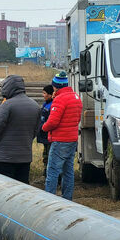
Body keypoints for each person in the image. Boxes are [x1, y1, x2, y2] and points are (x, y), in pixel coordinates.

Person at [0, 75, 41, 184]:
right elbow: (35, 130)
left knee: (4, 191)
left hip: (4, 158)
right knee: (22, 190)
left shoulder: (6, 106)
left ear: (8, 87)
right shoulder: (35, 105)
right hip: (25, 157)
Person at [42, 71, 82, 200]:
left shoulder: (60, 99)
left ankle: (50, 200)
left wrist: (43, 127)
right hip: (72, 139)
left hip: (60, 140)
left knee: (53, 171)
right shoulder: (76, 97)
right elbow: (77, 119)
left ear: (55, 86)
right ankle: (67, 199)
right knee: (68, 171)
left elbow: (53, 122)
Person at [37, 85, 54, 177]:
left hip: (49, 136)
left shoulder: (52, 105)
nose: (43, 95)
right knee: (45, 155)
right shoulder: (46, 104)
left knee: (49, 156)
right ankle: (46, 172)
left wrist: (43, 128)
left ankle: (50, 175)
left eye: (44, 93)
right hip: (44, 136)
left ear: (50, 94)